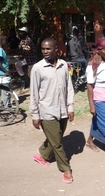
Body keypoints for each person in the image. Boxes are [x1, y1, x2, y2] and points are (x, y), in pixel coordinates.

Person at [29, 38, 74, 184]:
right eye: (43, 49)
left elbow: (70, 88)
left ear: (56, 49)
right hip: (47, 111)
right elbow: (34, 93)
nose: (45, 52)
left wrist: (70, 107)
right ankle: (65, 168)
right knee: (58, 143)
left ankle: (42, 154)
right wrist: (35, 115)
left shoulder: (63, 65)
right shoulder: (37, 68)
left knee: (57, 138)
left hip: (62, 110)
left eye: (48, 49)